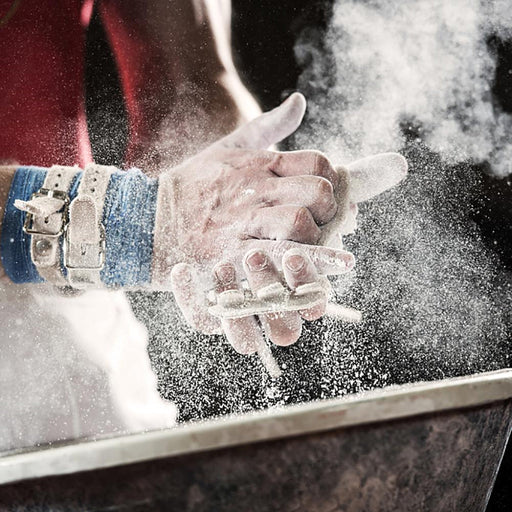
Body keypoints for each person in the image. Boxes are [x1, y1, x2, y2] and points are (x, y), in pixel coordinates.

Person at [0, 0, 406, 451]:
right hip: (77, 237)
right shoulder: (125, 222)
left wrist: (237, 202)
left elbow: (189, 86)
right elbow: (145, 219)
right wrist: (139, 219)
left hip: (60, 290)